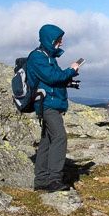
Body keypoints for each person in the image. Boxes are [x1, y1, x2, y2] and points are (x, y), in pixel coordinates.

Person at [26, 24, 81, 192]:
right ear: (49, 40)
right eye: (58, 40)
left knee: (47, 140)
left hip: (51, 103)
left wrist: (68, 82)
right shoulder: (37, 57)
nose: (61, 43)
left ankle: (41, 180)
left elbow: (51, 80)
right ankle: (54, 180)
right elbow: (51, 77)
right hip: (47, 104)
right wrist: (71, 70)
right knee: (59, 137)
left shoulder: (48, 57)